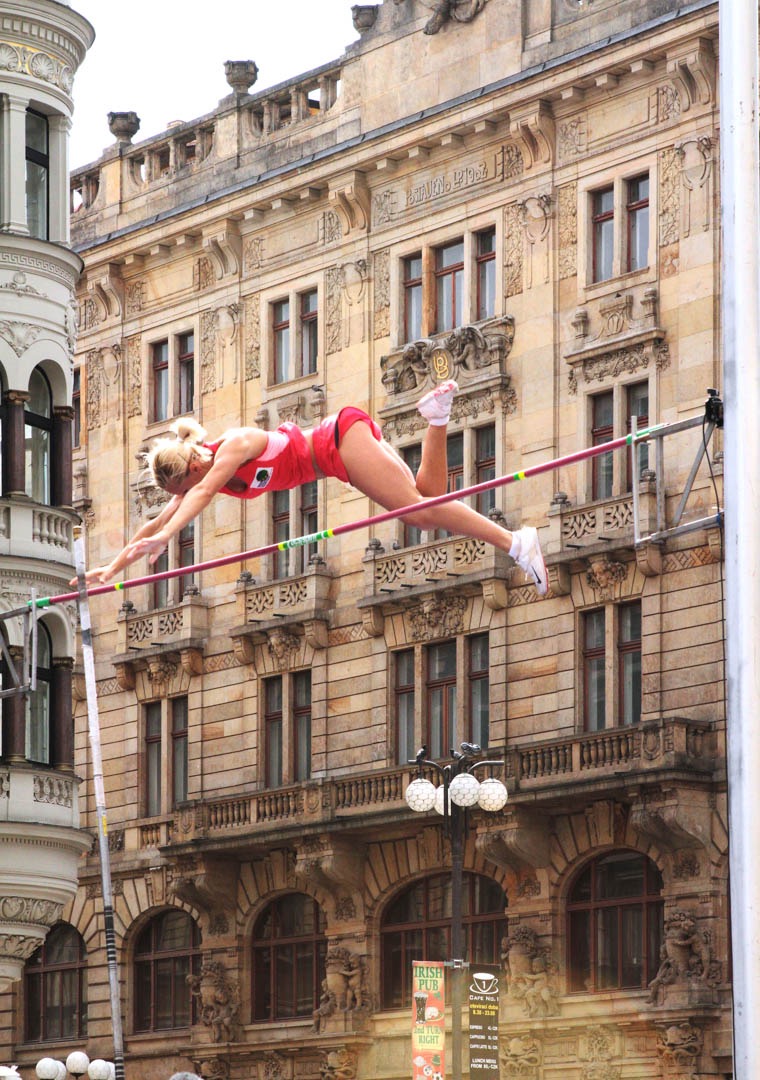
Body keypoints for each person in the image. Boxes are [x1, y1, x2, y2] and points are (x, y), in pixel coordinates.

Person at [77, 381, 547, 595]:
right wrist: (110, 568)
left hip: (339, 441)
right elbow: (155, 522)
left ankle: (515, 542)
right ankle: (438, 417)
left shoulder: (234, 446)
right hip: (342, 451)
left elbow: (193, 501)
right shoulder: (199, 476)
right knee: (428, 493)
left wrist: (167, 535)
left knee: (420, 514)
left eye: (186, 482)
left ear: (193, 464)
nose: (191, 489)